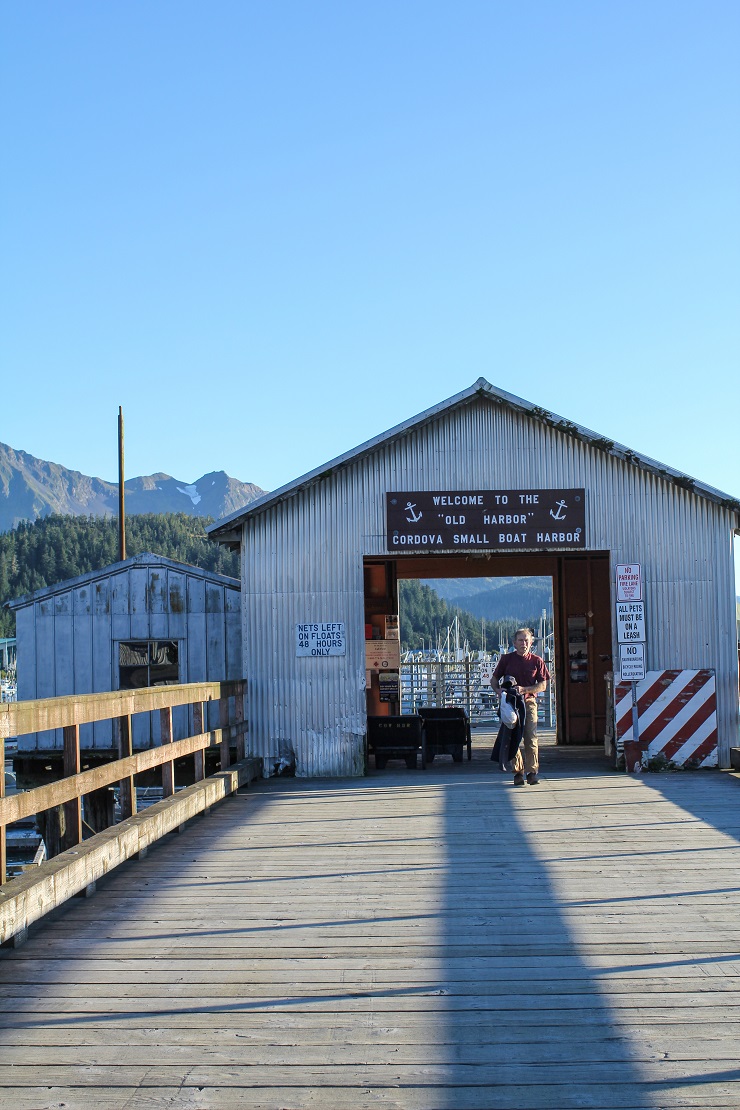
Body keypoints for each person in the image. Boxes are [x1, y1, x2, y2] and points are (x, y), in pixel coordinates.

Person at [493, 628, 550, 786]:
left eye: (526, 640)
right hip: (511, 704)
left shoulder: (537, 661)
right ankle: (518, 771)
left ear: (531, 642)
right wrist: (498, 691)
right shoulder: (506, 659)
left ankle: (532, 772)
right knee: (513, 738)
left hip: (529, 702)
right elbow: (494, 679)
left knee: (530, 737)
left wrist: (525, 689)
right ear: (514, 643)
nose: (524, 643)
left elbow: (543, 685)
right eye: (520, 640)